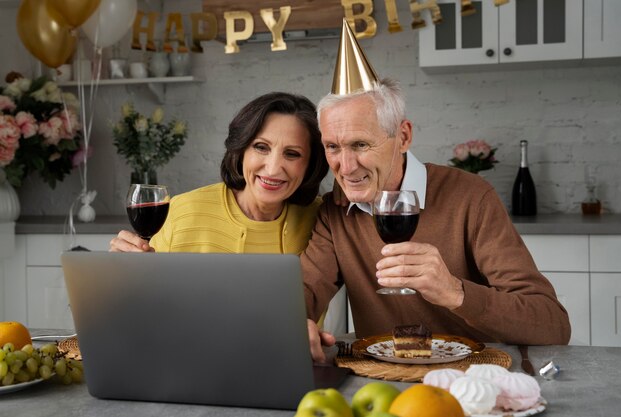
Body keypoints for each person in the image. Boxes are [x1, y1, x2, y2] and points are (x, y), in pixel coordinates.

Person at [303, 22, 570, 363]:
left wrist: (454, 291)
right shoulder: (335, 212)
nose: (346, 166)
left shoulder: (471, 197)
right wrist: (293, 322)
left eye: (360, 144)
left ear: (403, 137)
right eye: (332, 147)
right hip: (384, 385)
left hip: (473, 382)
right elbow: (304, 292)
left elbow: (553, 325)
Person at [110, 92, 328, 256]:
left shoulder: (323, 222)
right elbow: (139, 299)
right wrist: (119, 272)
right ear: (240, 150)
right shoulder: (181, 213)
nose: (272, 168)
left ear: (311, 164)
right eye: (261, 147)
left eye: (292, 154)